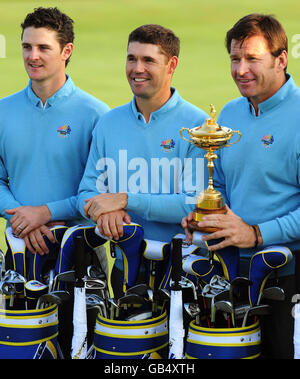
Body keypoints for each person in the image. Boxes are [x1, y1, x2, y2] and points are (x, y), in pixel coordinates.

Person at [182, 13, 300, 359]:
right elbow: (218, 182)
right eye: (235, 58)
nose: (240, 70)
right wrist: (204, 215)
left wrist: (257, 233)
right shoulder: (230, 115)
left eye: (252, 58)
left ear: (281, 59)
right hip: (230, 273)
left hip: (287, 279)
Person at [77, 24, 208, 298]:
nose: (137, 69)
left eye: (148, 60)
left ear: (171, 65)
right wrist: (103, 211)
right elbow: (87, 193)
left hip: (182, 271)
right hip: (123, 268)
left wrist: (124, 199)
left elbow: (193, 203)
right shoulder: (108, 124)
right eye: (131, 58)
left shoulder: (198, 126)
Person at [0, 7, 110, 257]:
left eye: (43, 48)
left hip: (81, 252)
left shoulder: (97, 114)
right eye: (27, 47)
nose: (32, 56)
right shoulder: (2, 110)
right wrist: (22, 218)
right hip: (19, 247)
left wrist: (43, 213)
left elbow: (102, 191)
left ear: (66, 51)